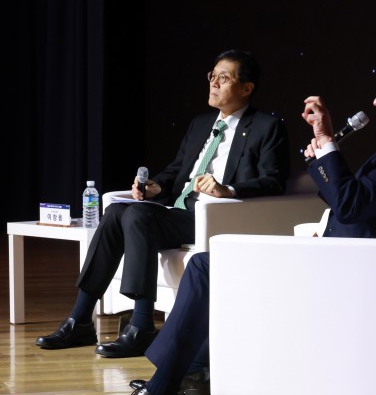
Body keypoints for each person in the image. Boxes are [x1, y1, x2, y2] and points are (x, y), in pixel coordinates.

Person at [88, 44, 376, 395]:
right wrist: (325, 151)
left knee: (204, 268)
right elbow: (356, 202)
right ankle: (177, 377)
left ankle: (165, 388)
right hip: (341, 260)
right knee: (205, 266)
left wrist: (328, 145)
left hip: (342, 272)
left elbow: (350, 205)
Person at [35, 49, 290, 359]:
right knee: (116, 212)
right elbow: (177, 170)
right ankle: (80, 320)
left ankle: (142, 326)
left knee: (138, 216)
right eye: (212, 76)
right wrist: (155, 187)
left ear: (247, 88)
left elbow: (274, 180)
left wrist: (228, 189)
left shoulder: (266, 126)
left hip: (215, 216)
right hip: (179, 211)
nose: (213, 83)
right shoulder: (201, 124)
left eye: (223, 78)